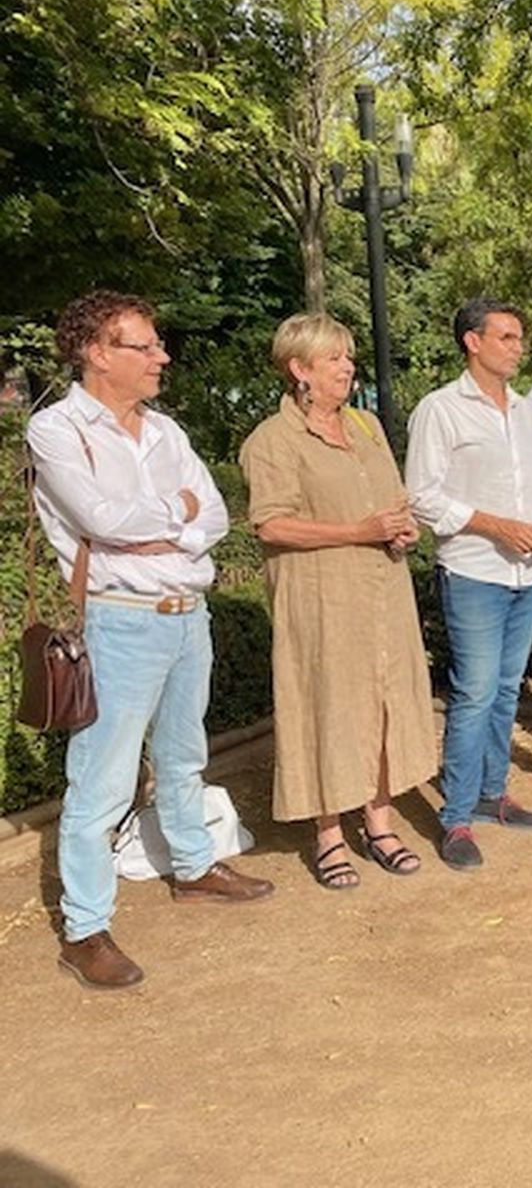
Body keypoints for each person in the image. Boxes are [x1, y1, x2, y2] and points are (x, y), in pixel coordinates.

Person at [29, 291, 273, 990]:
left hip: (185, 615)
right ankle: (84, 929)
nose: (162, 356)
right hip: (118, 619)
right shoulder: (57, 431)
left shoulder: (166, 432)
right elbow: (101, 518)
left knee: (183, 755)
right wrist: (176, 515)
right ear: (97, 353)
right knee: (101, 780)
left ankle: (193, 866)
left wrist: (169, 524)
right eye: (146, 346)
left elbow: (219, 513)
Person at [239, 314, 437, 889]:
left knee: (382, 704)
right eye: (333, 359)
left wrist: (402, 529)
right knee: (327, 706)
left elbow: (394, 502)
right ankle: (327, 834)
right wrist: (360, 529)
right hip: (321, 599)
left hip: (383, 593)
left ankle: (379, 820)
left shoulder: (367, 425)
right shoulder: (271, 441)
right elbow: (271, 526)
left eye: (348, 357)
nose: (347, 367)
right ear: (299, 369)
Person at [406, 298, 532, 871]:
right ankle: (457, 818)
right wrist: (496, 527)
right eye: (507, 337)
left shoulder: (526, 412)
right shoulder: (440, 411)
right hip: (474, 570)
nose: (518, 346)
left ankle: (494, 794)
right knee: (472, 694)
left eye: (519, 337)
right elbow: (422, 496)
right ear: (472, 341)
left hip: (526, 574)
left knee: (504, 689)